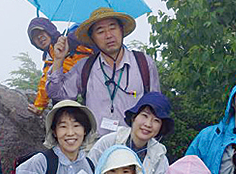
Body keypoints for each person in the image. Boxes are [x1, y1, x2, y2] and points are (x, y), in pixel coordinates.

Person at [46, 7, 160, 135]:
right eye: (100, 31)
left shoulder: (144, 63)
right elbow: (56, 94)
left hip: (135, 146)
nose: (109, 35)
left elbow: (156, 106)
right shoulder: (85, 67)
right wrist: (58, 59)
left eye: (113, 28)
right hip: (96, 148)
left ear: (121, 30)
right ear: (92, 38)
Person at [88, 92, 173, 174]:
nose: (148, 124)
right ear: (134, 117)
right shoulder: (108, 142)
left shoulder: (159, 157)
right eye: (144, 116)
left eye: (156, 120)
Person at [27, 18, 92, 113]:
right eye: (35, 37)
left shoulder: (71, 41)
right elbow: (45, 82)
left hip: (94, 79)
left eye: (41, 32)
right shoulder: (49, 57)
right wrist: (39, 106)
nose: (39, 37)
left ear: (49, 30)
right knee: (56, 93)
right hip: (77, 88)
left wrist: (74, 40)